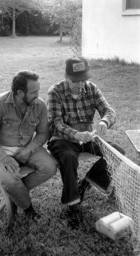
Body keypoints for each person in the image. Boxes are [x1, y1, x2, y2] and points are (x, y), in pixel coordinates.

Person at [47, 57, 125, 225]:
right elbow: (56, 123)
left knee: (117, 152)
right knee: (68, 157)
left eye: (83, 79)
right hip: (62, 139)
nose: (80, 84)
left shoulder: (92, 88)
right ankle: (73, 207)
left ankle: (86, 183)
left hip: (87, 137)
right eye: (75, 80)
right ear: (66, 76)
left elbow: (109, 111)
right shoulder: (55, 92)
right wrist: (75, 134)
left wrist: (104, 121)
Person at [0, 70, 57, 220]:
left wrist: (29, 149)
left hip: (29, 148)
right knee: (10, 179)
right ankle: (29, 209)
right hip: (2, 152)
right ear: (20, 92)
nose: (38, 95)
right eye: (34, 92)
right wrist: (4, 158)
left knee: (50, 167)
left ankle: (15, 193)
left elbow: (43, 133)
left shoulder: (40, 105)